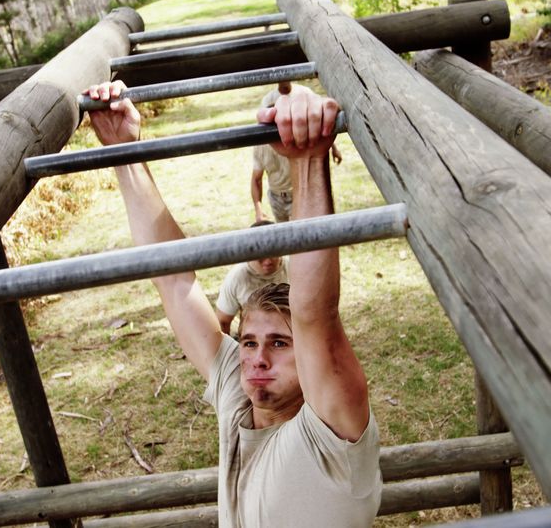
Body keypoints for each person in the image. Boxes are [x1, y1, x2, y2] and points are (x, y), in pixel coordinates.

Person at [86, 81, 381, 527]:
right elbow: (173, 279)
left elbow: (314, 314)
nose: (257, 358)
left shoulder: (332, 430)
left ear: (310, 356)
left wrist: (307, 158)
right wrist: (123, 151)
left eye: (280, 344)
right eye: (248, 341)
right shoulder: (237, 397)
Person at [252, 85, 342, 223]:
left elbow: (313, 125)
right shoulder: (260, 147)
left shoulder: (304, 92)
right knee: (287, 237)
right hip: (277, 197)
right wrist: (258, 210)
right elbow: (256, 179)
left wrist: (316, 153)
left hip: (296, 194)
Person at [215, 220, 288, 336]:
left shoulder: (294, 268)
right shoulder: (237, 277)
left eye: (273, 252)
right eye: (261, 254)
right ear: (248, 253)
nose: (268, 261)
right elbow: (222, 322)